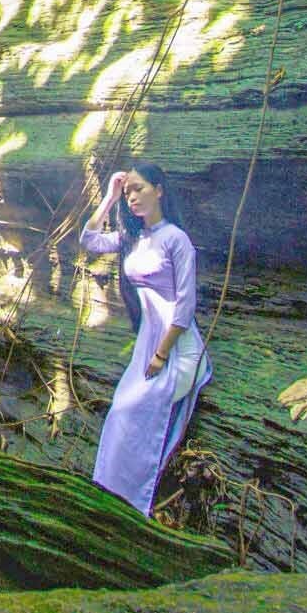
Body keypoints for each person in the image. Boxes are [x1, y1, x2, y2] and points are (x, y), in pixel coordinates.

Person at [78, 161, 212, 515]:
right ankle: (108, 495)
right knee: (119, 413)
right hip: (147, 348)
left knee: (133, 409)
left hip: (178, 349)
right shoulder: (132, 239)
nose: (132, 197)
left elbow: (185, 307)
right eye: (129, 191)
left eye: (139, 188)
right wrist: (109, 196)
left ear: (160, 190)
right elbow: (89, 240)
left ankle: (132, 503)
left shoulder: (176, 240)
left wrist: (162, 355)